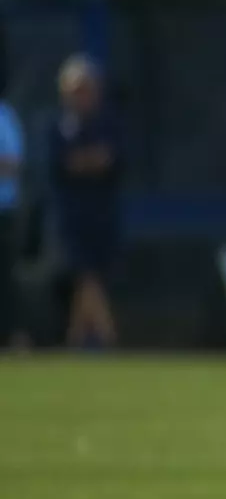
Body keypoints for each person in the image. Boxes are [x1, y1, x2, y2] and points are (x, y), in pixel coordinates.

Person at [49, 55, 122, 349]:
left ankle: (76, 340)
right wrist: (89, 160)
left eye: (87, 89)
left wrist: (82, 161)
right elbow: (60, 164)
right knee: (85, 274)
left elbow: (112, 160)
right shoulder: (57, 126)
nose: (82, 96)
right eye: (76, 90)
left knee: (91, 276)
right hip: (71, 215)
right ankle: (108, 336)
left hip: (102, 213)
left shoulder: (109, 123)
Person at [0, 66, 23, 349]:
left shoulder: (3, 116)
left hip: (2, 211)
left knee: (5, 277)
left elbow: (13, 163)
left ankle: (16, 337)